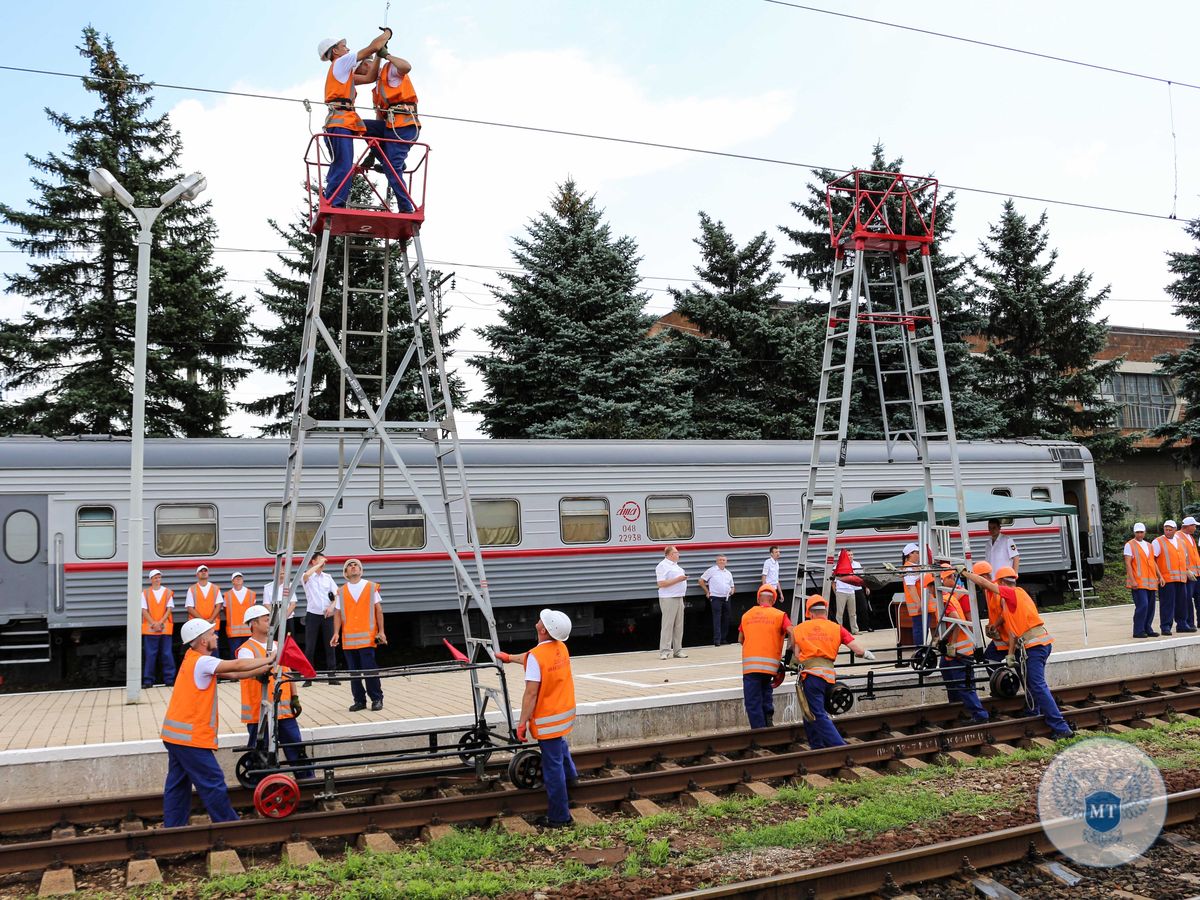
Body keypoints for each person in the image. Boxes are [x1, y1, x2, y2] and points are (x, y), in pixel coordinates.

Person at [160, 618, 276, 828]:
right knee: (212, 781)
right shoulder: (204, 661)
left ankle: (173, 827)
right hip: (190, 738)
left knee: (177, 784)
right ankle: (229, 826)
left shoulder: (192, 658)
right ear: (203, 640)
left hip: (174, 735)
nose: (216, 636)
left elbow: (232, 673)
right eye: (212, 634)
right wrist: (270, 658)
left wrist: (260, 670)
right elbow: (237, 664)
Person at [958, 564, 1072, 739]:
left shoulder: (1013, 593)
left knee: (1037, 685)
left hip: (1035, 646)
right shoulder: (1014, 600)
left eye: (998, 583)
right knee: (1032, 683)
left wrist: (964, 573)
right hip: (1033, 645)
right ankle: (1034, 711)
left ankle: (1061, 728)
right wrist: (1010, 654)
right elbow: (1013, 631)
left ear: (1003, 582)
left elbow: (985, 583)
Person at [497, 609, 577, 829]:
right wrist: (509, 658)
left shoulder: (537, 657)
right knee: (560, 746)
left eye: (542, 620)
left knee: (552, 768)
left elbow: (531, 694)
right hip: (564, 714)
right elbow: (532, 657)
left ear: (543, 629)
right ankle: (572, 776)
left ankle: (560, 818)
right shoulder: (561, 647)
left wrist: (521, 724)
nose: (538, 620)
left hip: (548, 719)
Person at [317, 30, 392, 208]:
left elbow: (370, 77)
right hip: (340, 122)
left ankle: (391, 163)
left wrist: (379, 56)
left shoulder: (343, 74)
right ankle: (335, 204)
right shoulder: (341, 62)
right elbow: (372, 47)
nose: (347, 49)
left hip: (345, 121)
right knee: (343, 166)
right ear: (335, 51)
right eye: (344, 46)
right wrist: (387, 34)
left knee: (382, 129)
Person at [237, 605, 313, 779]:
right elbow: (248, 669)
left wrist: (294, 697)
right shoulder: (246, 650)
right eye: (265, 620)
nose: (270, 623)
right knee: (260, 753)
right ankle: (258, 785)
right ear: (253, 624)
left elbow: (287, 672)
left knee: (296, 749)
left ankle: (308, 783)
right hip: (260, 714)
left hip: (284, 712)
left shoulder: (279, 645)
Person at [790, 594, 875, 748]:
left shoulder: (799, 629)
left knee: (816, 713)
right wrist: (866, 654)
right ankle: (817, 746)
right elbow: (857, 649)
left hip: (810, 676)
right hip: (828, 676)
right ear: (825, 611)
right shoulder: (836, 628)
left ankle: (839, 747)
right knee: (808, 712)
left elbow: (796, 655)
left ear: (810, 613)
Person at [927, 566, 988, 723]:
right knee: (947, 672)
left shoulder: (946, 599)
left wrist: (952, 644)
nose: (928, 591)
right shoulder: (946, 598)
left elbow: (955, 620)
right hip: (954, 651)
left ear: (934, 586)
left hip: (960, 650)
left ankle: (980, 716)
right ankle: (955, 707)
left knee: (964, 684)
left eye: (928, 587)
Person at [369, 46, 421, 212]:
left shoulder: (389, 70)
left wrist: (386, 55)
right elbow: (379, 117)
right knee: (358, 125)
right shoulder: (377, 87)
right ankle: (389, 162)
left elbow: (406, 67)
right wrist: (373, 150)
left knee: (392, 169)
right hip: (390, 126)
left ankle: (406, 208)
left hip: (404, 125)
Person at [331, 558, 387, 712]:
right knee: (354, 672)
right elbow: (337, 613)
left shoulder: (370, 587)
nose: (353, 566)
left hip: (367, 638)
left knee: (370, 670)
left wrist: (381, 632)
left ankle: (376, 699)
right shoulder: (341, 591)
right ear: (346, 573)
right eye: (350, 565)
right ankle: (359, 700)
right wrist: (336, 633)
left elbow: (378, 610)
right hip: (349, 639)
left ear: (360, 571)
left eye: (356, 565)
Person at [738, 584, 792, 729]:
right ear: (773, 600)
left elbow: (740, 639)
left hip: (750, 667)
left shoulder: (746, 615)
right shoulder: (779, 615)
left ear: (758, 599)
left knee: (752, 701)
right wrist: (790, 653)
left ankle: (759, 732)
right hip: (771, 667)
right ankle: (768, 721)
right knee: (766, 691)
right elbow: (792, 632)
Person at [302, 554, 340, 685]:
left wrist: (332, 607)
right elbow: (306, 576)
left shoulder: (328, 578)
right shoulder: (307, 576)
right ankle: (308, 677)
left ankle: (332, 676)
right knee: (310, 646)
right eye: (320, 560)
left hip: (327, 615)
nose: (324, 562)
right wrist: (318, 565)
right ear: (313, 562)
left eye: (324, 560)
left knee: (330, 645)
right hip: (312, 615)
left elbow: (337, 595)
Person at [141, 569, 177, 689]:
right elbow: (143, 610)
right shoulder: (145, 593)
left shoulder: (167, 592)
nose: (157, 579)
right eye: (155, 577)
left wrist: (159, 623)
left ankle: (169, 679)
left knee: (166, 654)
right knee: (150, 655)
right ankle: (148, 681)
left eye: (159, 577)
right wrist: (154, 623)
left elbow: (169, 609)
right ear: (151, 579)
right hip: (153, 628)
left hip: (163, 628)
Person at [1152, 520, 1187, 636]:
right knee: (1167, 604)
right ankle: (1166, 626)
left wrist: (1187, 572)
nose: (1167, 531)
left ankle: (1182, 624)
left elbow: (1183, 559)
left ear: (1175, 530)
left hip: (1181, 578)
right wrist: (1159, 576)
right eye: (1166, 529)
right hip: (1166, 579)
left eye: (1170, 529)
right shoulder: (1158, 542)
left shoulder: (1181, 542)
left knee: (1182, 603)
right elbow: (1152, 560)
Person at [1125, 523, 1160, 639]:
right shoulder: (1130, 545)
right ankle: (1138, 630)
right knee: (1143, 605)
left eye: (1141, 532)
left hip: (1150, 582)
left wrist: (1160, 576)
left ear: (1145, 532)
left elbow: (1153, 562)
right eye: (1137, 532)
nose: (1139, 534)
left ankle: (1147, 628)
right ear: (1134, 533)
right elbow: (1128, 564)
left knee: (1150, 606)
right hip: (1138, 582)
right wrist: (1132, 580)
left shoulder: (1149, 546)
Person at [900, 542, 936, 651]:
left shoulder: (914, 567)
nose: (919, 555)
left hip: (924, 604)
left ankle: (923, 648)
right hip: (919, 605)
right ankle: (920, 649)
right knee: (920, 628)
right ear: (909, 554)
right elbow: (911, 587)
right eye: (917, 553)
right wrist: (918, 603)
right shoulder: (908, 568)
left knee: (923, 627)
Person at [655, 545, 688, 660]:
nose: (678, 554)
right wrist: (678, 579)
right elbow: (661, 583)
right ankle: (664, 651)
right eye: (676, 553)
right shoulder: (662, 566)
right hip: (668, 597)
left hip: (679, 597)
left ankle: (678, 650)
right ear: (669, 555)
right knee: (668, 625)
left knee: (679, 626)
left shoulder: (676, 566)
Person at [974, 561, 1011, 664]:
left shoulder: (996, 591)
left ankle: (1003, 679)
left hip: (1009, 636)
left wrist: (994, 625)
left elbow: (1005, 613)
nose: (976, 583)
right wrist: (991, 625)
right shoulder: (988, 591)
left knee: (991, 661)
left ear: (984, 577)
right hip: (1003, 637)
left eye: (977, 579)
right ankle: (1002, 679)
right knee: (990, 661)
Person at [186, 565, 223, 655]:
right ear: (197, 575)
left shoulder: (215, 588)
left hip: (212, 624)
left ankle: (215, 669)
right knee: (199, 650)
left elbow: (219, 605)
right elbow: (190, 608)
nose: (203, 572)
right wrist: (203, 621)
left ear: (208, 574)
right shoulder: (192, 589)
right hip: (198, 626)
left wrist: (210, 619)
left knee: (213, 649)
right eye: (201, 571)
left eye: (205, 571)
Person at [699, 554, 735, 646]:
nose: (722, 561)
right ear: (716, 561)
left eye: (723, 560)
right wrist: (707, 591)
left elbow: (732, 586)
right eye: (720, 560)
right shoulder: (712, 570)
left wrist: (732, 591)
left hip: (726, 598)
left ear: (726, 562)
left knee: (726, 618)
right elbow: (701, 580)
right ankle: (717, 640)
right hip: (715, 598)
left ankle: (723, 639)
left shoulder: (728, 573)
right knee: (717, 618)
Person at [224, 572, 256, 657]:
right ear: (232, 581)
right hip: (233, 633)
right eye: (236, 578)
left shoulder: (251, 594)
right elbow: (225, 610)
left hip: (248, 631)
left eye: (240, 577)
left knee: (248, 654)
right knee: (235, 655)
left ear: (243, 580)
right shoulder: (227, 595)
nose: (238, 579)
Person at [263, 568, 300, 640]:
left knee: (289, 641)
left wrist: (284, 616)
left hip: (288, 619)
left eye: (283, 573)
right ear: (274, 575)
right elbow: (266, 604)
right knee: (275, 641)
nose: (282, 576)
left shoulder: (289, 586)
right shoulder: (268, 587)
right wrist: (276, 615)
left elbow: (293, 604)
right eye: (279, 574)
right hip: (274, 620)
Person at [833, 549, 864, 635]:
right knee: (840, 613)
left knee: (852, 613)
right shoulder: (836, 567)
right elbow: (834, 582)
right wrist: (836, 592)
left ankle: (855, 630)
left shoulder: (850, 566)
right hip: (841, 591)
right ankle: (839, 631)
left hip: (851, 591)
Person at [1177, 516, 1200, 632]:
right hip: (1188, 574)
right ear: (1188, 526)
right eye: (1194, 526)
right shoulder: (1178, 537)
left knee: (1198, 598)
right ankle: (1189, 623)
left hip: (1197, 573)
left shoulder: (1190, 537)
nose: (1195, 528)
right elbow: (1179, 556)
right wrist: (1186, 569)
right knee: (1187, 599)